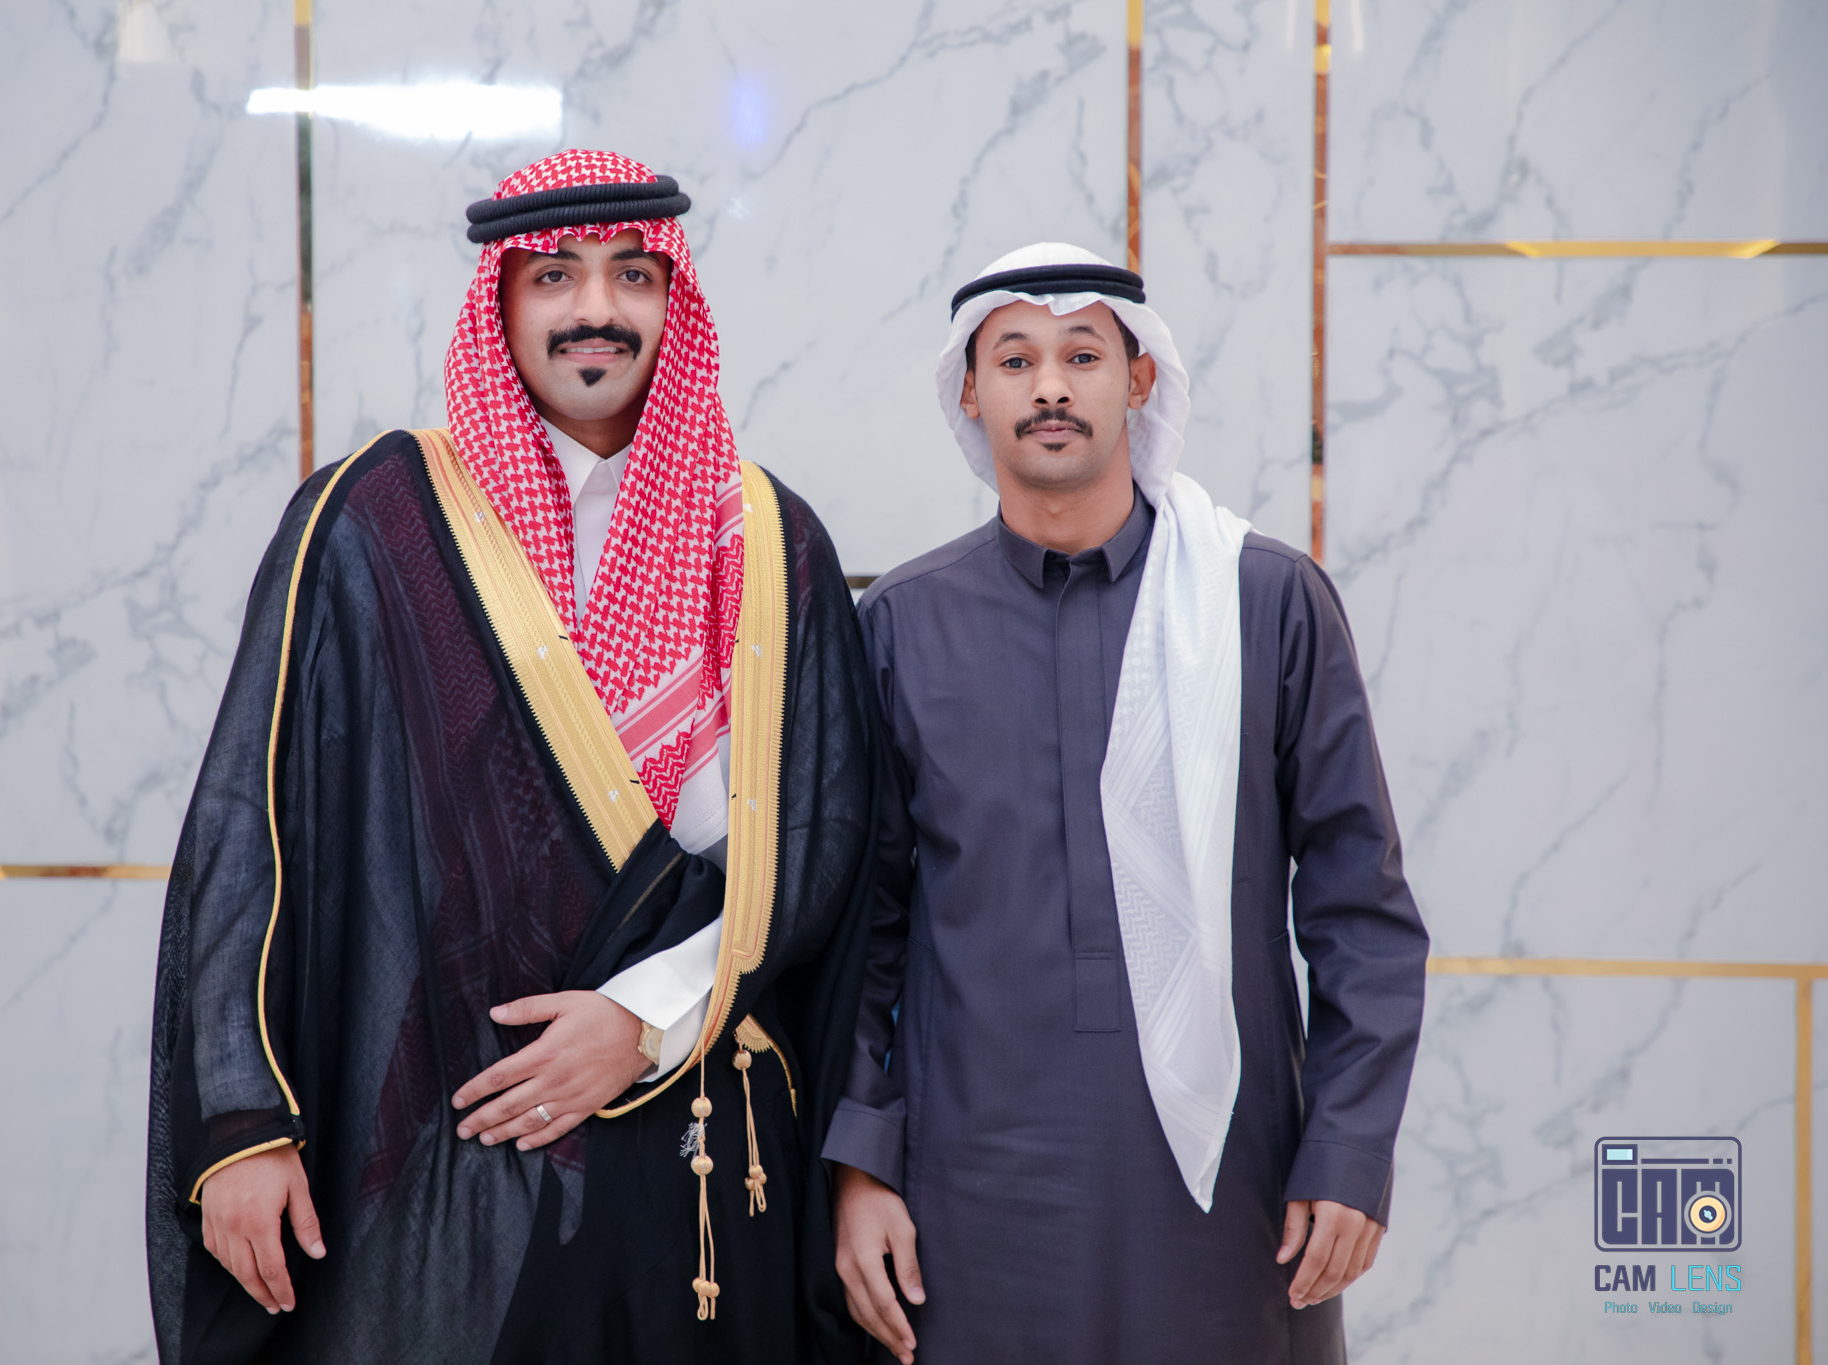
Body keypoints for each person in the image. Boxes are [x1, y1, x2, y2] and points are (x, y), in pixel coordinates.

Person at [146, 150, 877, 1364]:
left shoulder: (766, 540)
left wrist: (639, 1019)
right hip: (445, 1153)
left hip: (692, 1142)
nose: (596, 308)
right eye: (554, 276)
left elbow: (819, 843)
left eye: (631, 274)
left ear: (672, 301)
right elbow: (254, 824)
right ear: (499, 302)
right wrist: (242, 1123)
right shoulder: (376, 520)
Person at [825, 243, 1429, 1362]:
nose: (1049, 386)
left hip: (1233, 1196)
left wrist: (1348, 1151)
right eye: (1014, 359)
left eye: (1082, 355)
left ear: (1139, 379)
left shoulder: (1262, 601)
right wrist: (859, 1170)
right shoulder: (903, 624)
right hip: (969, 1199)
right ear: (970, 392)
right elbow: (862, 935)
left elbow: (1363, 915)